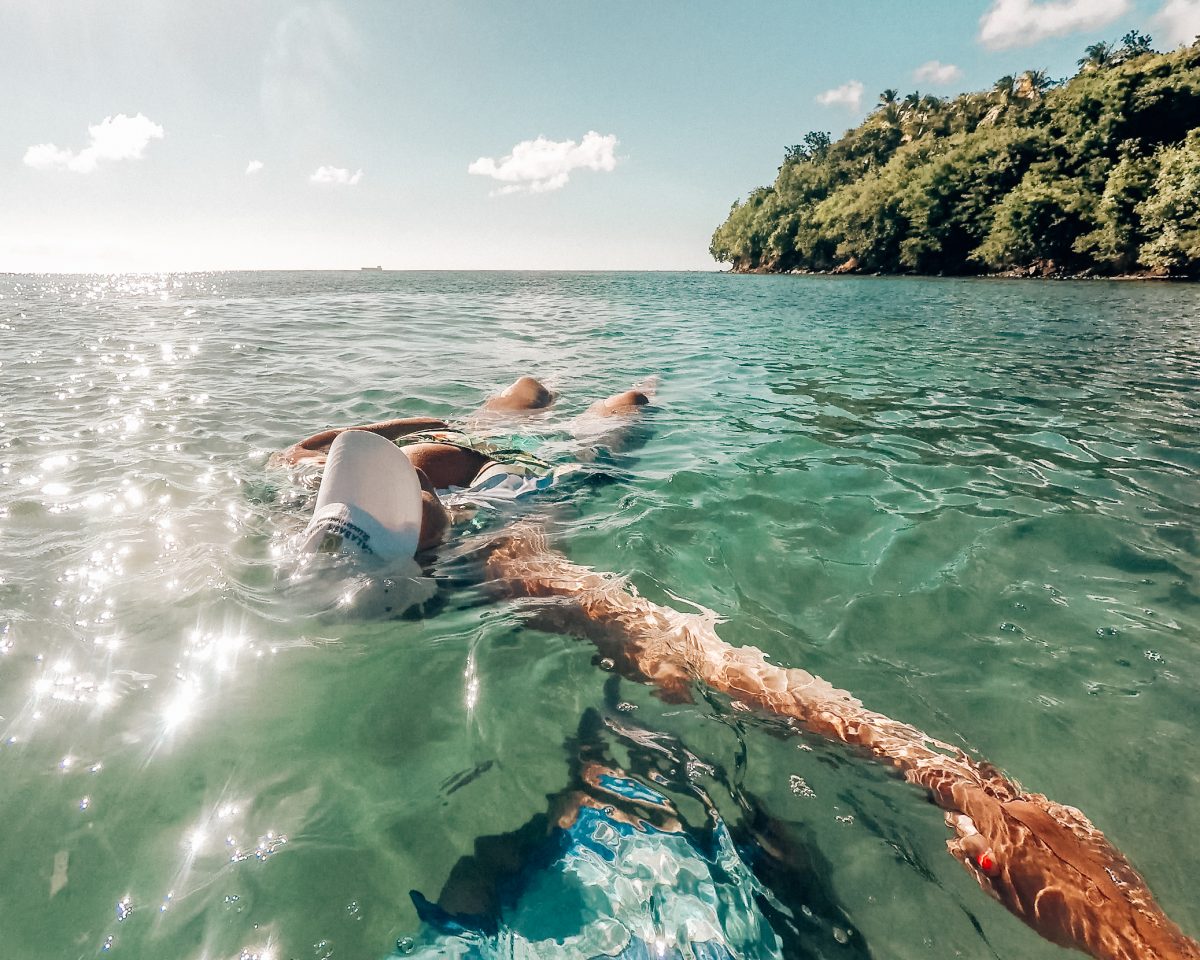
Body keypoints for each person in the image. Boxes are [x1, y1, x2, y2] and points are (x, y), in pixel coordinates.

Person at [273, 376, 651, 552]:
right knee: (630, 401)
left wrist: (435, 426)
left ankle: (554, 386)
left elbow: (319, 444)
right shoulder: (484, 528)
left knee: (527, 388)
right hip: (513, 468)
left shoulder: (322, 478)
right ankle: (644, 386)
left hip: (469, 438)